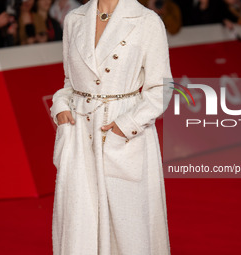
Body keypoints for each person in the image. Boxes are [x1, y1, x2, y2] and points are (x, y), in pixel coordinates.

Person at [50, 0, 174, 254]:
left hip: (122, 130)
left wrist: (126, 124)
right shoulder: (74, 19)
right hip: (80, 134)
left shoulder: (147, 21)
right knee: (79, 218)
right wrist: (60, 105)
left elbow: (161, 88)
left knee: (128, 226)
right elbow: (70, 81)